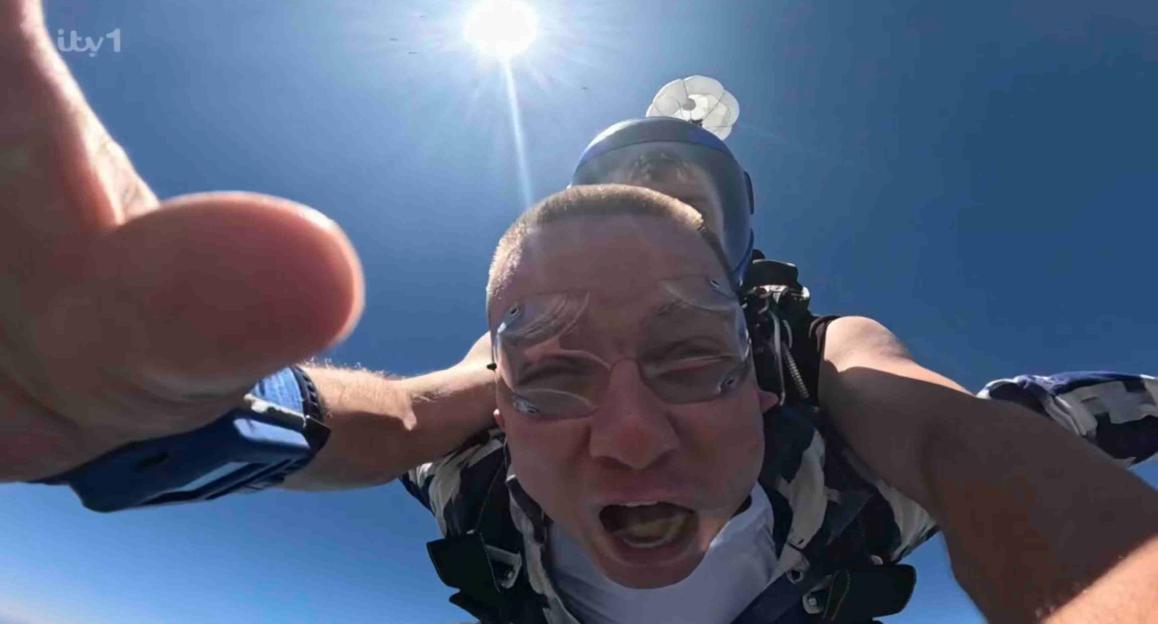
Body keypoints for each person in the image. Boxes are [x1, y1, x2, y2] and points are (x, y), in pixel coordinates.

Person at [1, 1, 1154, 622]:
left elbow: (963, 440)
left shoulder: (825, 363)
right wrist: (174, 428)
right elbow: (404, 418)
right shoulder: (483, 410)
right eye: (550, 374)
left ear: (754, 349)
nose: (634, 437)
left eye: (691, 356)